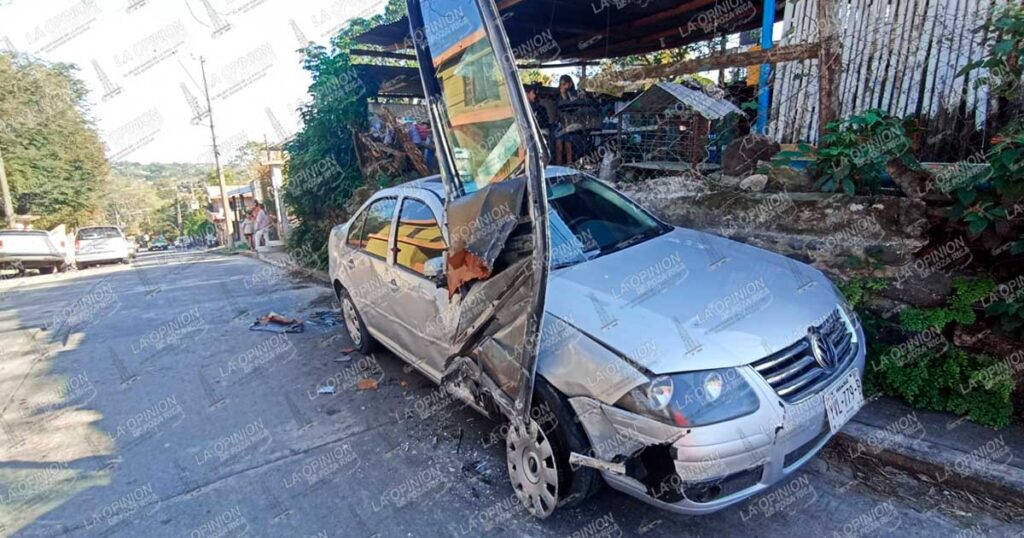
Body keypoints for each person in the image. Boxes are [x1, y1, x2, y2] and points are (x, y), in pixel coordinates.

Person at [555, 75, 586, 165]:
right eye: (561, 84)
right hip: (561, 123)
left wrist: (565, 96)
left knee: (569, 145)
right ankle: (558, 165)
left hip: (571, 123)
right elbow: (558, 107)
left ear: (570, 84)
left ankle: (569, 164)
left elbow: (572, 106)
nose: (562, 86)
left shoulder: (573, 94)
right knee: (559, 146)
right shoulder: (558, 96)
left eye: (564, 84)